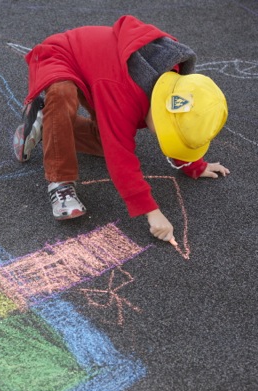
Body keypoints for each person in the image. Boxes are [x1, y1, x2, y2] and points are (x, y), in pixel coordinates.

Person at [12, 15, 230, 243]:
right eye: (165, 130)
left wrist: (194, 164)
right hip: (61, 56)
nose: (163, 136)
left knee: (102, 141)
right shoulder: (123, 95)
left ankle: (48, 123)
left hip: (99, 72)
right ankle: (60, 182)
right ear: (157, 109)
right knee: (62, 93)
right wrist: (152, 213)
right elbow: (120, 157)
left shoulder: (176, 85)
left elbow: (182, 115)